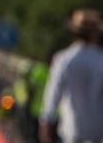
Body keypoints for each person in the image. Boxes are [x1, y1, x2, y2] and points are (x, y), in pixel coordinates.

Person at [40, 8, 103, 143]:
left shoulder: (64, 59)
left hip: (70, 129)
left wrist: (46, 121)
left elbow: (53, 92)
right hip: (97, 129)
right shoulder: (100, 60)